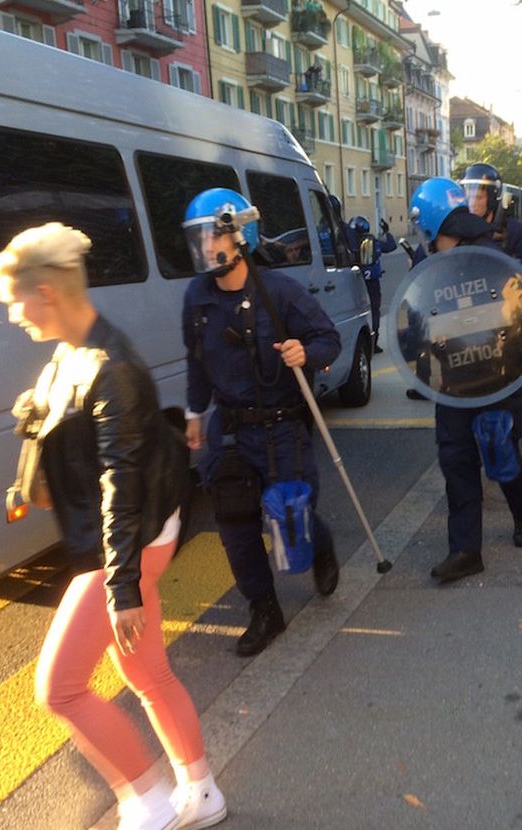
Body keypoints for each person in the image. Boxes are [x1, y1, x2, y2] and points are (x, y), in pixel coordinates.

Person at [0, 223, 226, 830]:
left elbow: (120, 485)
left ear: (46, 292)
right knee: (146, 672)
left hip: (125, 544)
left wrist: (121, 589)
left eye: (16, 299)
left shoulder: (109, 366)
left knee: (60, 687)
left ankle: (145, 801)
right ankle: (200, 791)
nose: (11, 314)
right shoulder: (74, 353)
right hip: (137, 537)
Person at [182, 187, 341, 657]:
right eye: (198, 238)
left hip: (281, 430)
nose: (207, 247)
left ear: (240, 236)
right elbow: (196, 361)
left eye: (213, 235)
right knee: (234, 524)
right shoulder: (197, 297)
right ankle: (264, 610)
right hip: (229, 433)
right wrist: (194, 413)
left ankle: (321, 544)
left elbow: (328, 339)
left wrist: (305, 352)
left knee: (291, 515)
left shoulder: (280, 292)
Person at [408, 177, 522, 583]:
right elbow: (419, 316)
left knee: (501, 454)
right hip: (454, 381)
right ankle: (465, 550)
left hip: (496, 379)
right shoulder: (431, 262)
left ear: (431, 222)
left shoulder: (491, 258)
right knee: (457, 461)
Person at [459, 162, 522, 287]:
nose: (472, 203)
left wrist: (512, 272)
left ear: (491, 199)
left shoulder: (513, 230)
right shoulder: (459, 230)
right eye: (468, 197)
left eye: (479, 198)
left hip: (505, 302)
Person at [348, 215, 397, 354]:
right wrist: (387, 232)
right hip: (373, 282)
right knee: (375, 310)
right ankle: (374, 342)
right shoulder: (374, 242)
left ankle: (359, 344)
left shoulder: (352, 245)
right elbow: (391, 246)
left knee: (356, 313)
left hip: (357, 281)